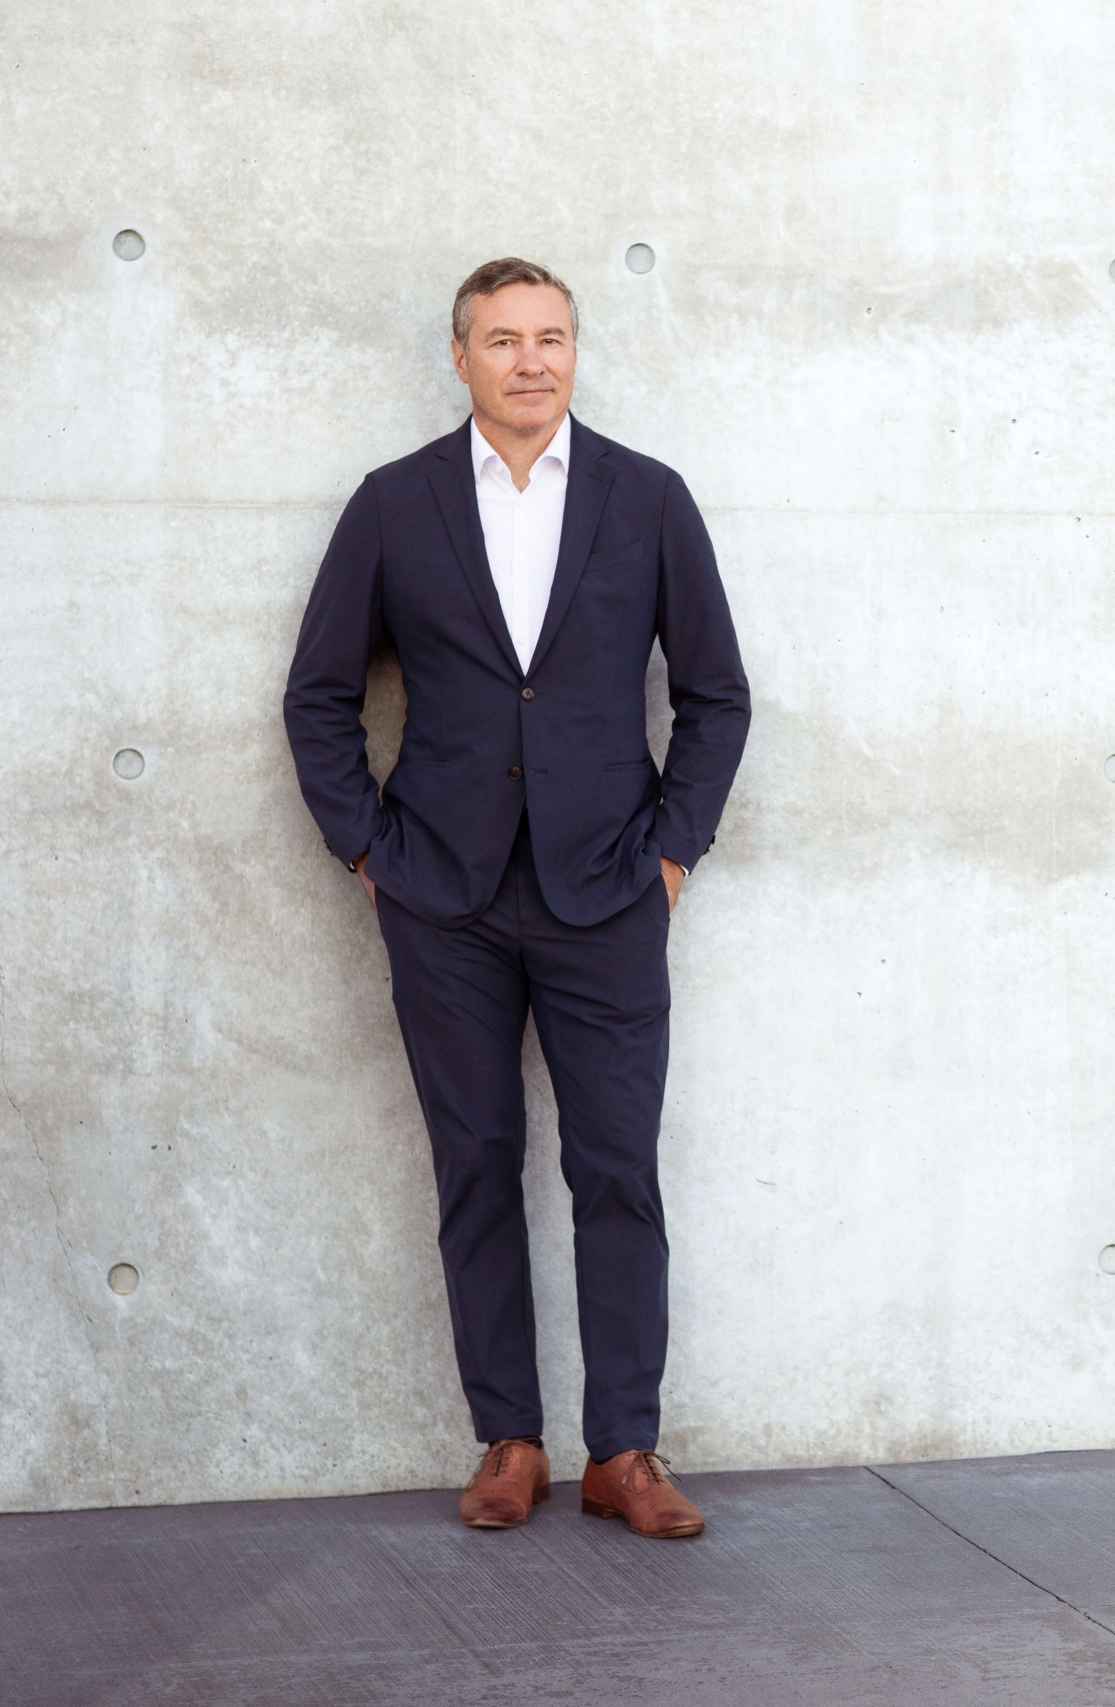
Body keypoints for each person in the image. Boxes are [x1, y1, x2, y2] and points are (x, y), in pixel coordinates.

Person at [283, 257, 749, 1537]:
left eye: (551, 337)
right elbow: (319, 697)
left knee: (617, 1170)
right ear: (460, 358)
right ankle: (509, 1440)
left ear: (574, 354)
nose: (530, 360)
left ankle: (626, 1453)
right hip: (446, 896)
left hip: (607, 891)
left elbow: (716, 695)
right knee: (476, 1163)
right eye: (503, 339)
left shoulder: (648, 500)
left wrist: (672, 852)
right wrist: (370, 850)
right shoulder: (395, 505)